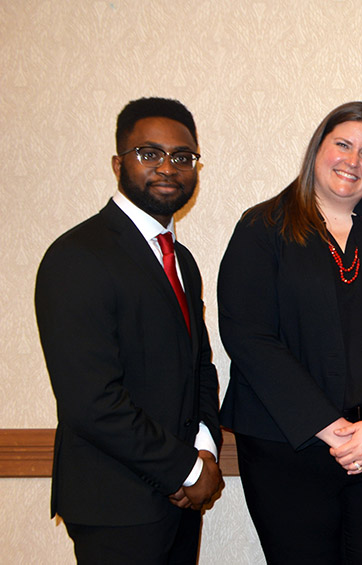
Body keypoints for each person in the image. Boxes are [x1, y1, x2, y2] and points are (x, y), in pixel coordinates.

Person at [217, 101, 362, 564]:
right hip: (287, 451)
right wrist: (333, 431)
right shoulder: (262, 228)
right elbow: (248, 336)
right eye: (343, 144)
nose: (353, 161)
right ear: (318, 149)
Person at [35, 97, 223, 564]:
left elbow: (198, 363)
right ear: (118, 162)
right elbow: (91, 401)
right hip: (115, 506)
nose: (167, 167)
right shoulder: (78, 256)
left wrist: (204, 450)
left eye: (182, 157)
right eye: (149, 153)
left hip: (179, 503)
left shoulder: (182, 261)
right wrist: (184, 469)